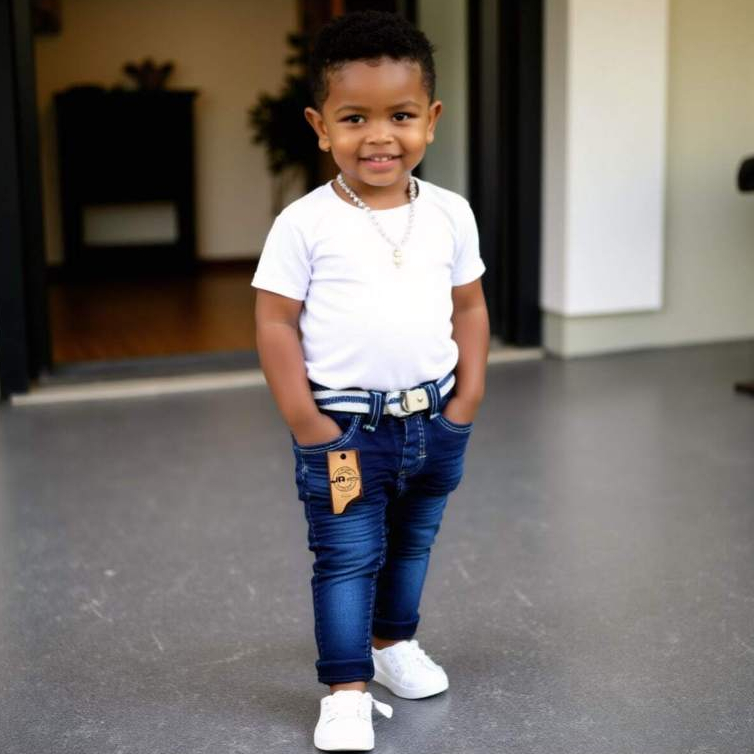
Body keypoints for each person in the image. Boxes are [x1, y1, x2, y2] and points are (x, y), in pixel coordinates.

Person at [252, 9, 490, 751]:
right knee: (348, 556)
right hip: (345, 431)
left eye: (401, 116)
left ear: (432, 120)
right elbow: (274, 322)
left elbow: (470, 307)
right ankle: (346, 690)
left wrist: (468, 398)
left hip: (435, 421)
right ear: (321, 127)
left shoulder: (450, 214)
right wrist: (306, 421)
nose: (379, 136)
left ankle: (392, 646)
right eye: (355, 118)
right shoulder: (305, 223)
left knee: (413, 544)